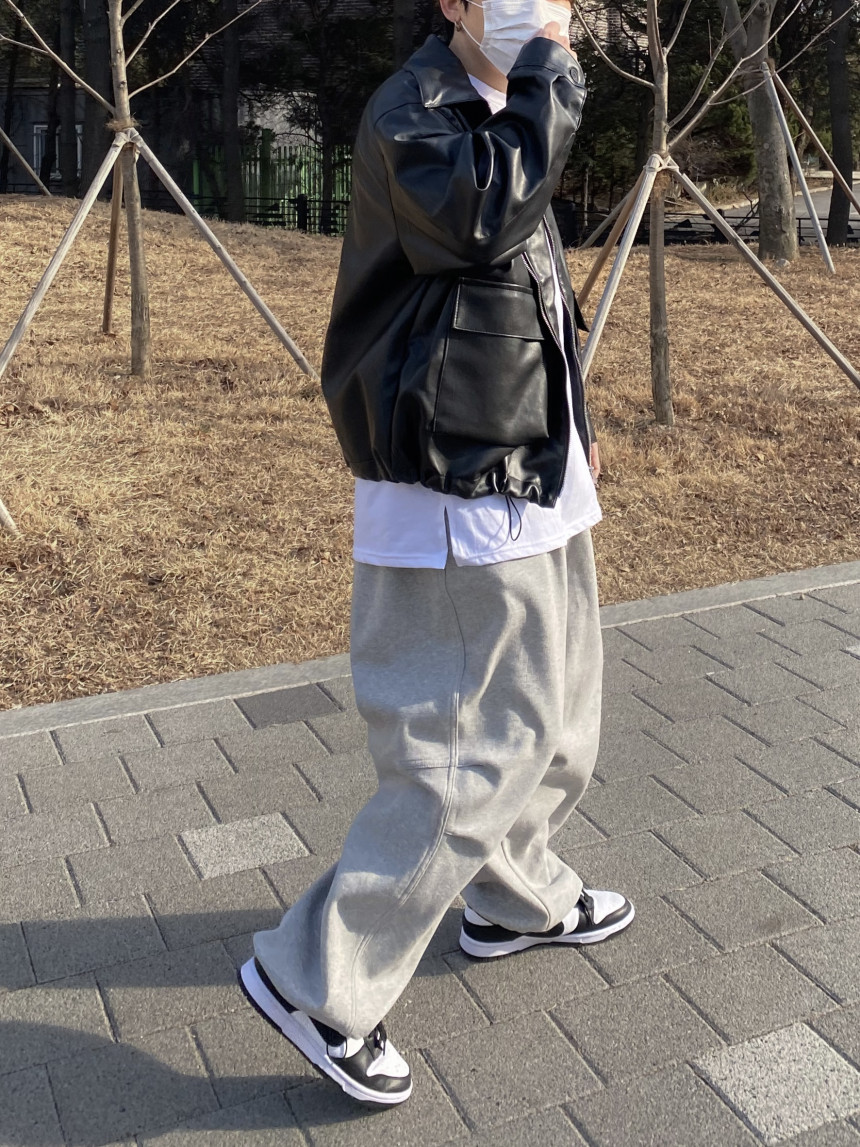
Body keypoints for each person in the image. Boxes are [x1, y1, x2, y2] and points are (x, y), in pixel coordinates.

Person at [239, 0, 635, 1106]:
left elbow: (525, 286)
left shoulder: (507, 103)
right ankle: (317, 981)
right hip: (452, 475)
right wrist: (554, 78)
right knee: (470, 751)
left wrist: (572, 424)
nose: (544, 11)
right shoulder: (413, 109)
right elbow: (476, 221)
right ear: (455, 2)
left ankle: (513, 897)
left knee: (560, 719)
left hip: (526, 454)